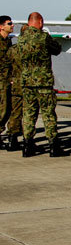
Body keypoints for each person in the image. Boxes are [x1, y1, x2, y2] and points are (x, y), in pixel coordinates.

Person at [16, 12, 62, 157]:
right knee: (48, 113)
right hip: (43, 82)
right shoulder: (43, 37)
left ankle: (27, 145)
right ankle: (53, 146)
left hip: (27, 82)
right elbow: (57, 49)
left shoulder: (21, 39)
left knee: (29, 113)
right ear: (40, 22)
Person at [6, 25, 26, 152]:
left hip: (16, 85)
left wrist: (10, 79)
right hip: (31, 86)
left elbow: (5, 65)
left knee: (15, 112)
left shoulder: (13, 50)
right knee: (30, 114)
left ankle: (12, 139)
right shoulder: (35, 48)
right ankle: (28, 140)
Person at [0, 15, 13, 149]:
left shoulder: (8, 41)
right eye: (9, 23)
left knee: (6, 109)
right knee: (2, 110)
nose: (12, 25)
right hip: (1, 80)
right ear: (1, 26)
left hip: (6, 80)